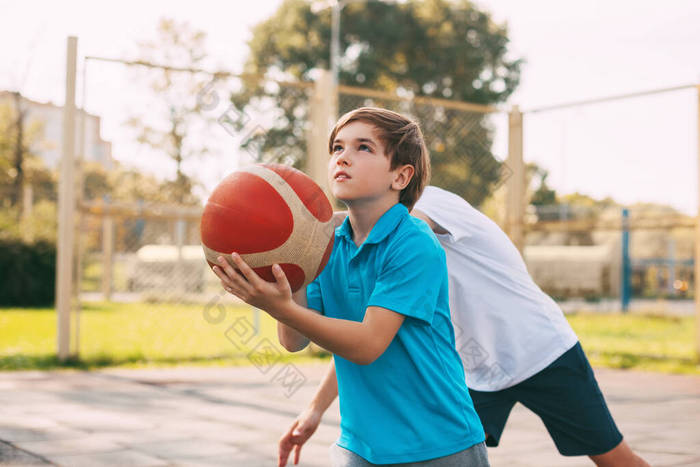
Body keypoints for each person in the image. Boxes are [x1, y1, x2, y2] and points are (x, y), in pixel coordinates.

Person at [278, 186, 650, 467]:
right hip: (473, 373)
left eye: (365, 148)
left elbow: (399, 226)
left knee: (615, 460)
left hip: (539, 352)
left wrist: (309, 229)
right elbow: (366, 338)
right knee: (441, 447)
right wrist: (315, 410)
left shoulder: (427, 207)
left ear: (401, 172)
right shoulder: (367, 250)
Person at [213, 107, 490, 466]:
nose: (343, 157)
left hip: (436, 444)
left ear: (401, 176)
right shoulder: (324, 244)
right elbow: (294, 340)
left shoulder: (413, 243)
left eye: (364, 148)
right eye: (337, 147)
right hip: (360, 446)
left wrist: (280, 308)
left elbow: (367, 345)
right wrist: (284, 282)